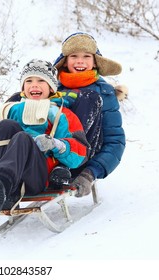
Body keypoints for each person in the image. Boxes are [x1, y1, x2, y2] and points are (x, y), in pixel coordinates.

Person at [0, 59, 89, 219]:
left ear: (51, 87)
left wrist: (56, 145)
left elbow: (80, 153)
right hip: (4, 173)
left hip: (37, 176)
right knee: (5, 126)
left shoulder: (61, 114)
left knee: (23, 138)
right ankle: (1, 189)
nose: (34, 85)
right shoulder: (10, 110)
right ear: (23, 87)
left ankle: (2, 186)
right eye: (29, 81)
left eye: (41, 80)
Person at [53, 32, 126, 197]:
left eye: (86, 56)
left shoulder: (104, 93)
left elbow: (115, 140)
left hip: (83, 157)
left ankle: (67, 166)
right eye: (74, 56)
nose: (80, 61)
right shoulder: (52, 90)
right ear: (65, 61)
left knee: (88, 100)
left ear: (94, 61)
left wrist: (90, 173)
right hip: (51, 151)